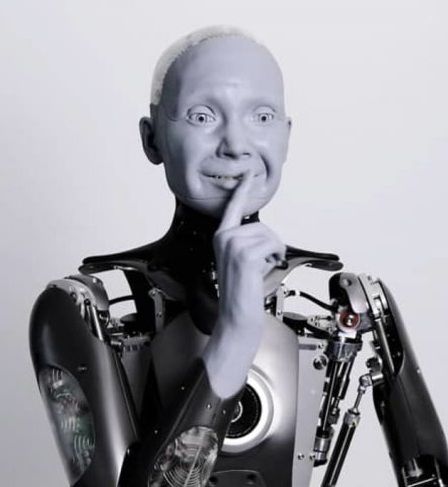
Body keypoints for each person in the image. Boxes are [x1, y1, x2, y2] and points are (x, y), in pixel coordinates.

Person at [30, 26, 448, 487]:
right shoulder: (79, 310)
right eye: (202, 116)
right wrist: (235, 338)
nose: (235, 144)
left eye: (262, 117)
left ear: (286, 138)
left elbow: (430, 476)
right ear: (151, 139)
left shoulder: (359, 301)